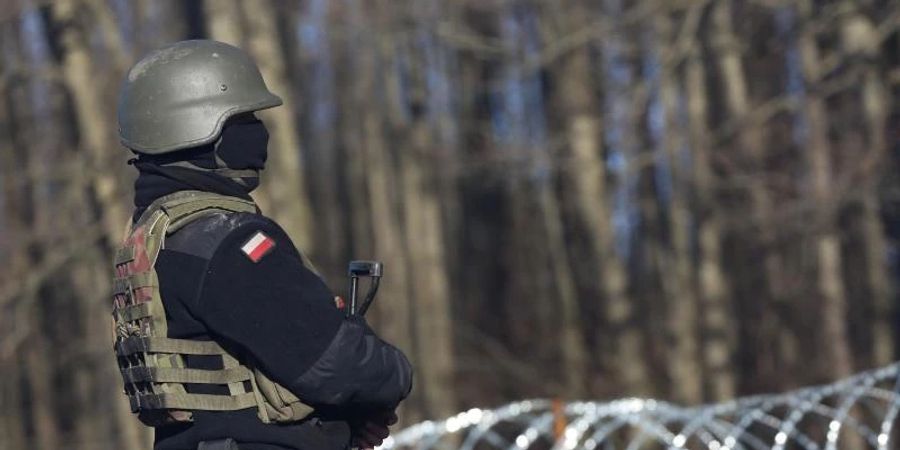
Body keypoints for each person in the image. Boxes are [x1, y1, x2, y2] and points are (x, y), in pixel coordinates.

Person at [112, 39, 413, 450]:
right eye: (244, 118)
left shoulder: (159, 238)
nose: (258, 132)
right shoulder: (228, 241)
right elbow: (336, 362)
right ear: (200, 127)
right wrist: (391, 374)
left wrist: (344, 420)